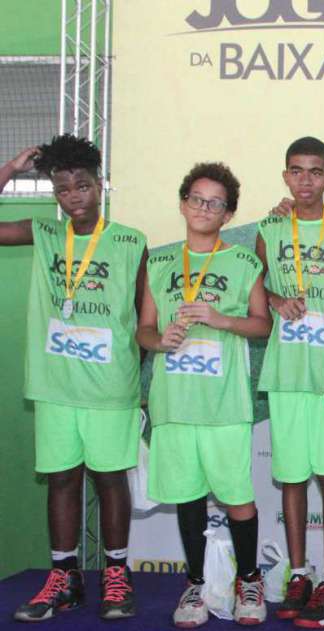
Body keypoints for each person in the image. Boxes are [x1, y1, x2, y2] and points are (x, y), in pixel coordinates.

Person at [2, 136, 146, 623]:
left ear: (100, 186)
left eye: (82, 185)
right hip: (55, 387)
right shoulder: (42, 234)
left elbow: (145, 320)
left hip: (110, 388)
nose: (73, 197)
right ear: (55, 195)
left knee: (109, 481)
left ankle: (116, 574)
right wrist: (10, 167)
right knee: (62, 481)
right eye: (62, 190)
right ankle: (64, 576)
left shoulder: (130, 241)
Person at [137, 162, 272, 627]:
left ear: (229, 214)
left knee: (237, 495)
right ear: (182, 203)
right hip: (175, 403)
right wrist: (160, 341)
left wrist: (221, 320)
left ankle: (250, 580)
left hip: (224, 404)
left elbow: (262, 324)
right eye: (197, 198)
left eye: (215, 202)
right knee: (189, 497)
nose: (204, 208)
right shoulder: (158, 262)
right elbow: (144, 330)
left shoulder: (243, 262)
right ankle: (195, 583)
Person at [254, 136, 324, 626]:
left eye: (315, 172)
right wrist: (277, 301)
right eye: (296, 171)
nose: (305, 181)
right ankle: (298, 571)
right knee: (293, 478)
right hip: (287, 372)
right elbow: (257, 288)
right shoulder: (269, 227)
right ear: (285, 176)